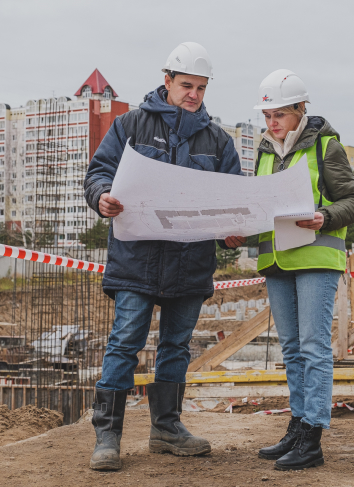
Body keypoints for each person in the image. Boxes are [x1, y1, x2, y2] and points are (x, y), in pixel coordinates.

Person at [83, 42, 245, 471]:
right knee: (124, 344)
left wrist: (233, 233)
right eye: (186, 85)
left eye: (201, 88)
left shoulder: (218, 140)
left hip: (190, 264)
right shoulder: (131, 125)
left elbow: (235, 200)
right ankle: (108, 437)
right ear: (167, 80)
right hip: (137, 261)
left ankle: (166, 429)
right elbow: (99, 173)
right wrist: (102, 198)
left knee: (176, 346)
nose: (193, 94)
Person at [252, 69, 354, 470]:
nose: (272, 123)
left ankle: (312, 437)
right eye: (267, 116)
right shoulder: (265, 151)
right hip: (276, 260)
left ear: (301, 109)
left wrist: (324, 216)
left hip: (316, 257)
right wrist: (238, 234)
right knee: (292, 350)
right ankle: (298, 426)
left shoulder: (326, 147)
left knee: (315, 348)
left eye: (279, 114)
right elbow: (262, 211)